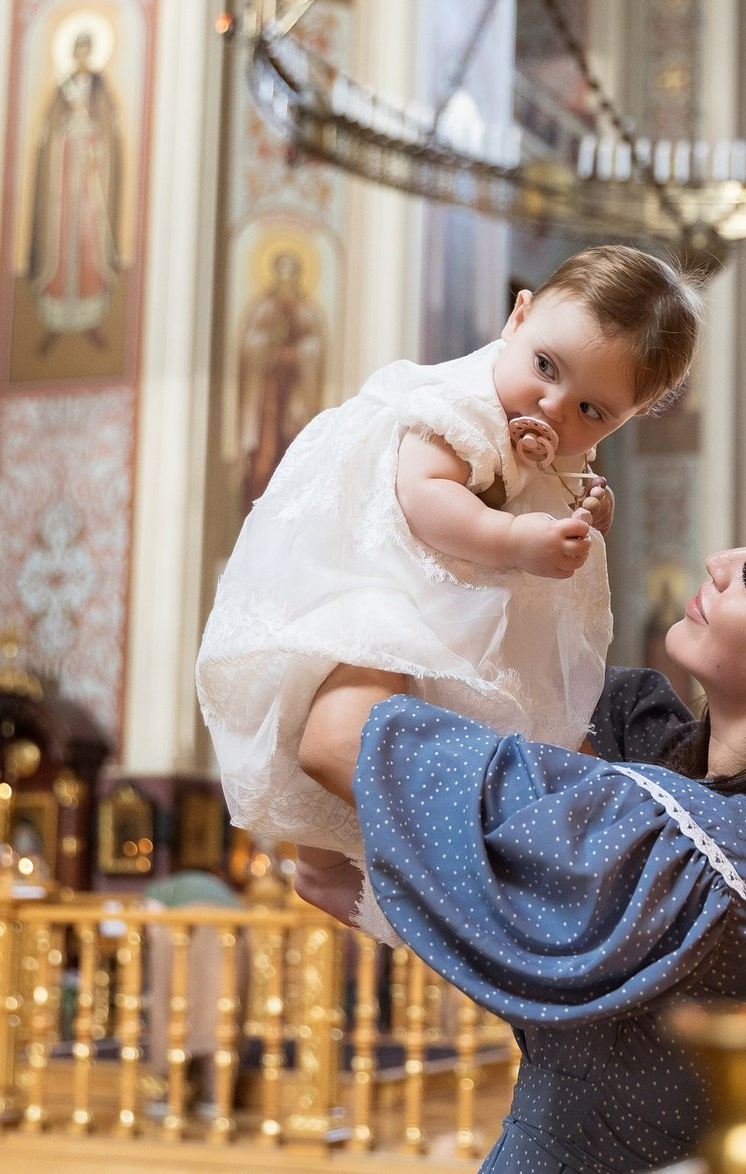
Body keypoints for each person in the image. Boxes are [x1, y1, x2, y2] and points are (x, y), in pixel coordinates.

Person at [294, 491, 746, 1174]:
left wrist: (392, 549)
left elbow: (337, 737)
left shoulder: (672, 848)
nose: (718, 563)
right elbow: (528, 689)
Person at [196, 245, 701, 937]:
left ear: (628, 416)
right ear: (518, 318)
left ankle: (348, 864)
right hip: (370, 559)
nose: (552, 406)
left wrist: (586, 509)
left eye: (591, 408)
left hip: (446, 591)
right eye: (545, 367)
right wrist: (518, 539)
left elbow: (560, 485)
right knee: (339, 667)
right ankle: (315, 861)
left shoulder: (562, 436)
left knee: (431, 713)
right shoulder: (459, 404)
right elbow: (422, 497)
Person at [28, 29, 122, 353]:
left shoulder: (99, 87)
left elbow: (110, 129)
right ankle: (55, 319)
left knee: (87, 235)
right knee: (61, 235)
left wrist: (96, 144)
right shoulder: (61, 88)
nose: (82, 56)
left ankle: (90, 315)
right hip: (64, 170)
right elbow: (48, 130)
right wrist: (65, 133)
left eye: (86, 50)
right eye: (77, 50)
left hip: (90, 174)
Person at [237, 248, 326, 513]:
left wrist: (299, 354)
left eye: (292, 272)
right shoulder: (264, 308)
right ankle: (256, 511)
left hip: (296, 395)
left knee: (294, 451)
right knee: (264, 455)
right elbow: (251, 345)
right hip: (267, 397)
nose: (286, 279)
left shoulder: (306, 311)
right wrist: (269, 352)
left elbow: (316, 346)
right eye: (282, 272)